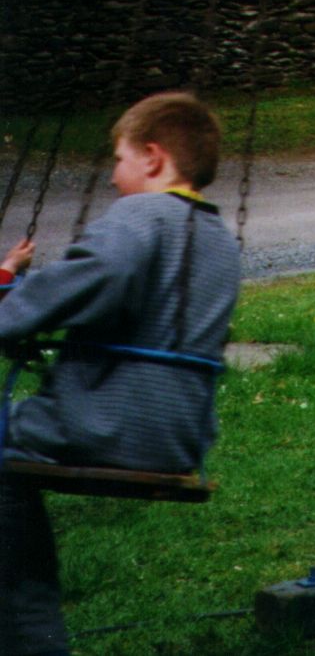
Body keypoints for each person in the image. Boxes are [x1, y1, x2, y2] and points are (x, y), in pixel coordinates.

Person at [1, 93, 241, 656]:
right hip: (177, 435)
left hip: (104, 423)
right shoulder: (218, 238)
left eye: (119, 160)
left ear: (153, 159)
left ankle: (27, 637)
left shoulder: (141, 215)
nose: (113, 178)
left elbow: (88, 280)